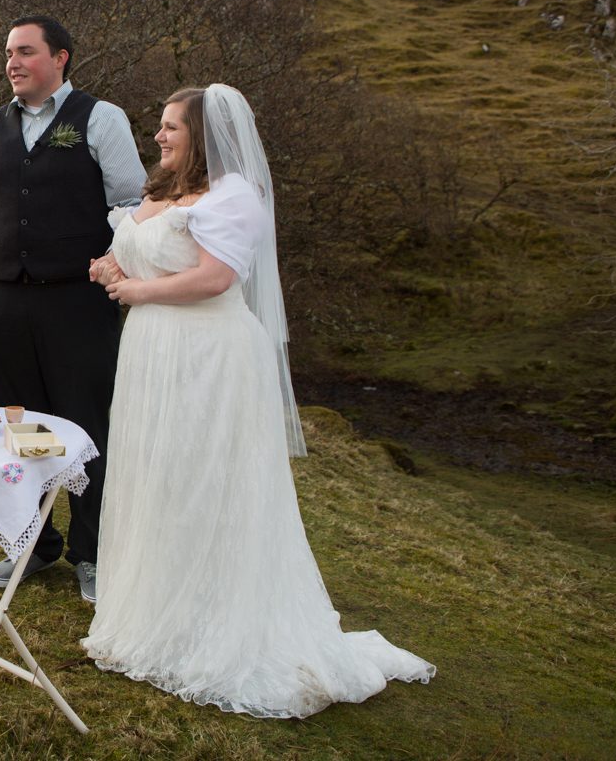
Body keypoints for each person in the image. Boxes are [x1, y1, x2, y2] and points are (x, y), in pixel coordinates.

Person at [81, 84, 434, 717]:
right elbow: (137, 252)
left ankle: (218, 626)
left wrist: (136, 293)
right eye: (159, 126)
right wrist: (110, 267)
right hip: (152, 355)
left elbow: (216, 277)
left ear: (203, 138)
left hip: (209, 357)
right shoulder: (163, 191)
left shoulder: (234, 197)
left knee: (203, 482)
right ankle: (159, 616)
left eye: (170, 128)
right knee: (158, 479)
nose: (158, 137)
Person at [0, 15, 146, 602]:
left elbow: (130, 204)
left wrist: (117, 265)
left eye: (25, 52)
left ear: (60, 58)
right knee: (20, 427)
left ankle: (92, 552)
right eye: (8, 53)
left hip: (79, 303)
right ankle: (33, 545)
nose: (12, 62)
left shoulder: (100, 119)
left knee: (86, 426)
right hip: (5, 301)